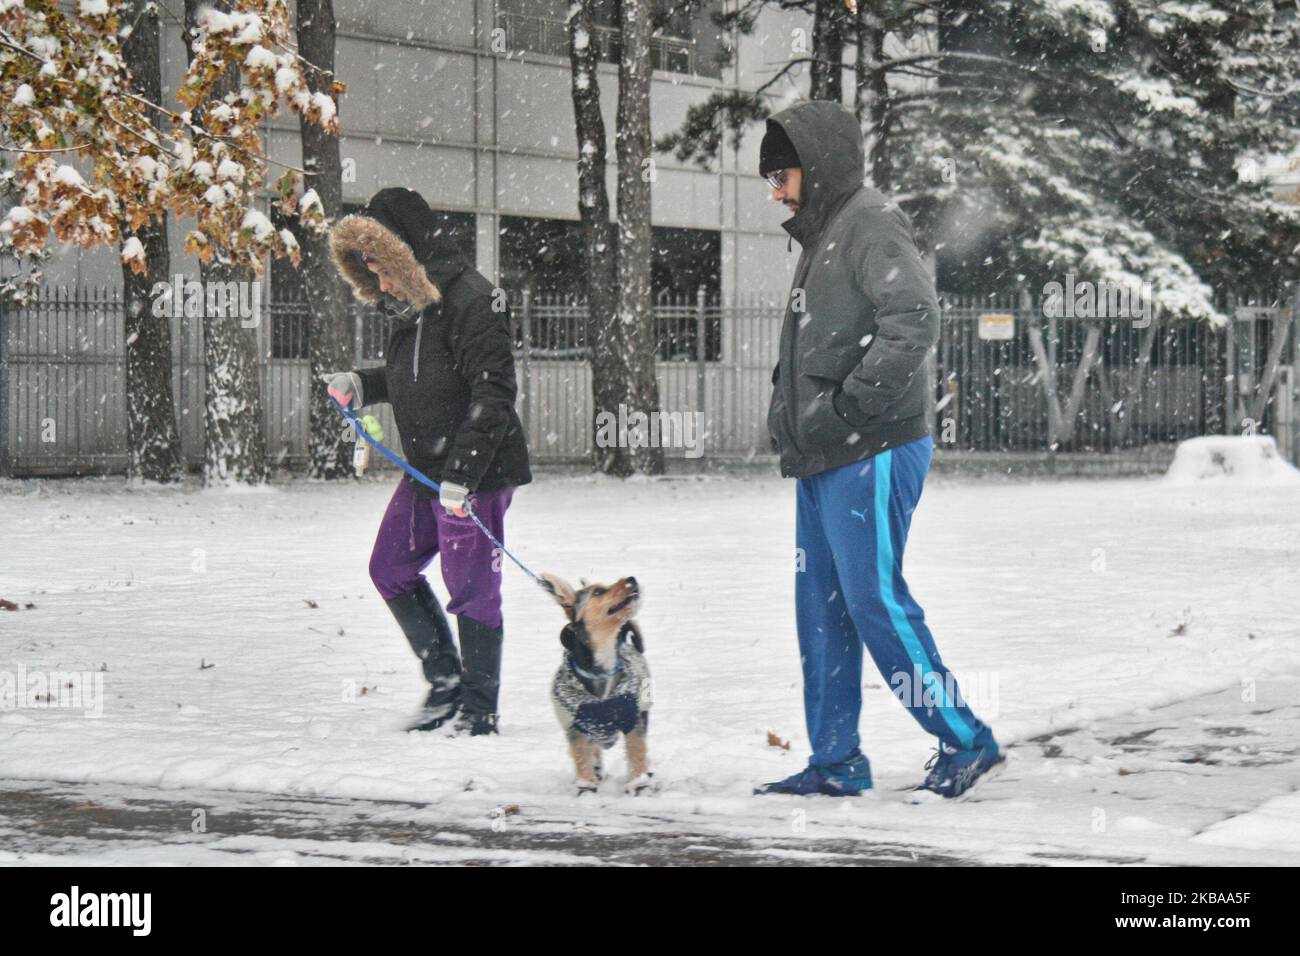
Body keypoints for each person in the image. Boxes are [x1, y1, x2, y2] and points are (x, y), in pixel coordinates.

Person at [753, 102, 1002, 798]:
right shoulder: (828, 232)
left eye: (782, 173)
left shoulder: (869, 221)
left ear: (818, 163)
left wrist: (849, 407)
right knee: (821, 606)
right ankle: (837, 760)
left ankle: (966, 739)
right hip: (825, 454)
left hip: (873, 446)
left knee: (873, 600)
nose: (777, 191)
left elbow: (914, 318)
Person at [326, 187, 531, 736]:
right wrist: (361, 384)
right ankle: (445, 683)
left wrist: (462, 477)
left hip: (476, 473)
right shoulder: (410, 308)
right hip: (426, 472)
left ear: (408, 254)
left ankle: (479, 709)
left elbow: (493, 395)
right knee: (388, 568)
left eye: (384, 270)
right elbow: (417, 380)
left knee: (469, 588)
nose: (381, 284)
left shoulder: (474, 301)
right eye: (370, 272)